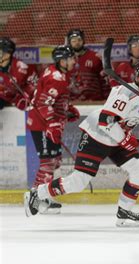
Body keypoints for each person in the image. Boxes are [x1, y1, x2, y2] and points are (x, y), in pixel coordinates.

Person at [24, 62, 139, 227]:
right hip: (96, 136)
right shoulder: (124, 92)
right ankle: (38, 193)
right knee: (79, 181)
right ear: (136, 76)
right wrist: (125, 141)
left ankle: (124, 212)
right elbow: (105, 121)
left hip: (117, 138)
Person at [25, 45, 79, 213]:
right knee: (48, 162)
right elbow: (43, 103)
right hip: (42, 125)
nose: (74, 61)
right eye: (71, 58)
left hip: (47, 124)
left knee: (54, 161)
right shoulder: (56, 77)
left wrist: (66, 109)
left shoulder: (58, 74)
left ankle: (43, 195)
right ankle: (34, 197)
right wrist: (53, 124)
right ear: (62, 60)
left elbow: (52, 99)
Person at [67, 29, 108, 101]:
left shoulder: (95, 57)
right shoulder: (65, 60)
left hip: (94, 101)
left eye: (79, 40)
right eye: (74, 41)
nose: (77, 43)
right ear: (69, 42)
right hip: (73, 102)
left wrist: (106, 99)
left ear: (83, 40)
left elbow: (104, 80)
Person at [0, 37, 37, 111]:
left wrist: (21, 99)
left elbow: (35, 85)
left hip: (21, 99)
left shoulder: (21, 68)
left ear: (7, 55)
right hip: (5, 97)